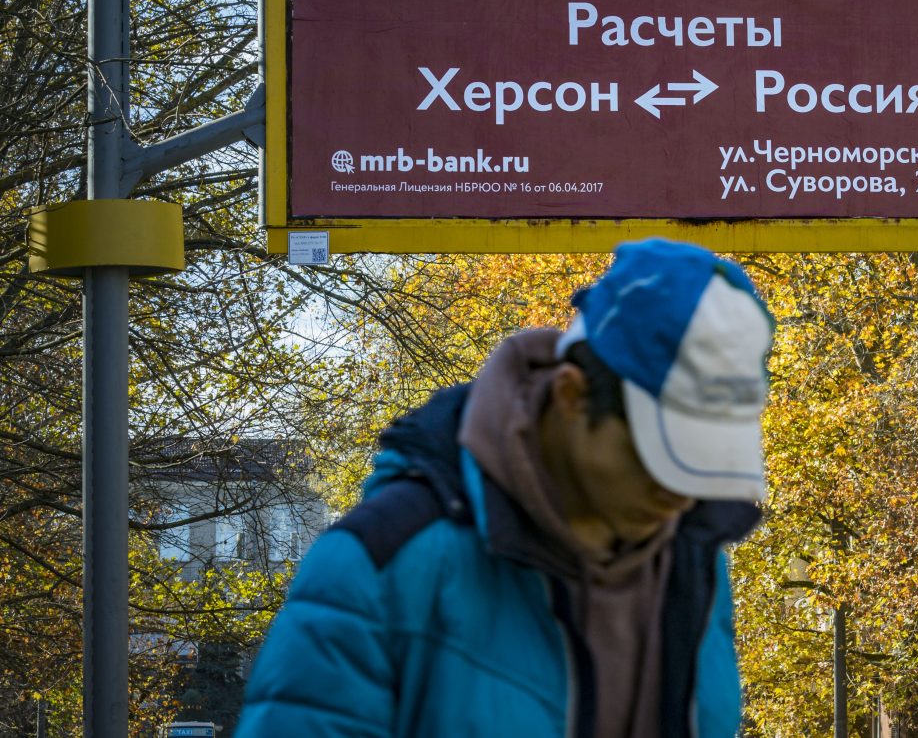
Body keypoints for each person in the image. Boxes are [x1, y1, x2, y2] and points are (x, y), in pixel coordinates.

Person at [234, 238, 775, 738]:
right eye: (661, 457)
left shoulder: (695, 558)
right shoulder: (379, 568)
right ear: (571, 396)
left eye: (705, 464)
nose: (680, 496)